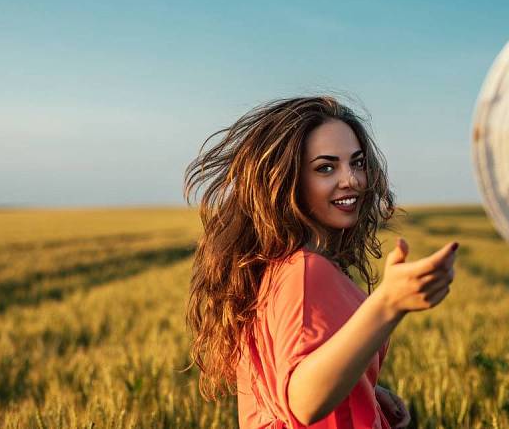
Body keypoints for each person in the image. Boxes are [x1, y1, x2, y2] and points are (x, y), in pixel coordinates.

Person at [183, 96, 458, 428]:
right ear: (289, 180)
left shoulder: (278, 266)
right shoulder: (305, 272)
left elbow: (284, 375)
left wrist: (362, 389)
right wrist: (388, 304)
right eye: (326, 168)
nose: (352, 180)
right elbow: (302, 401)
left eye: (357, 163)